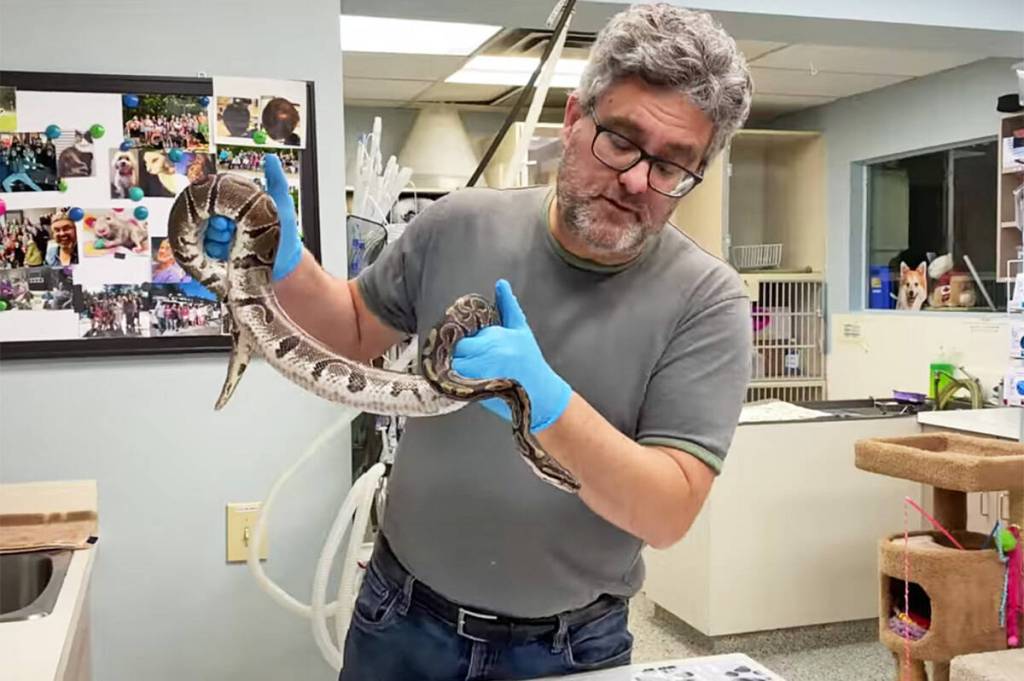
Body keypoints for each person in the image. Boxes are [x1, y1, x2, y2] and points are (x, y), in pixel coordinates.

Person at [204, 5, 753, 679]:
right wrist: (285, 269)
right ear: (575, 121)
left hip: (567, 647)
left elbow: (668, 511)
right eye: (622, 140)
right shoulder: (458, 224)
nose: (639, 179)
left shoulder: (709, 300)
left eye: (673, 165)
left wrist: (548, 403)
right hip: (400, 617)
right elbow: (350, 330)